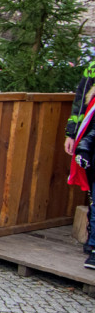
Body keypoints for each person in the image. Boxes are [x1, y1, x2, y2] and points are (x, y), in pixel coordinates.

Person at [64, 61, 95, 269]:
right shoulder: (93, 66)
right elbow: (80, 101)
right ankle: (92, 243)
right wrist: (72, 133)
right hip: (88, 137)